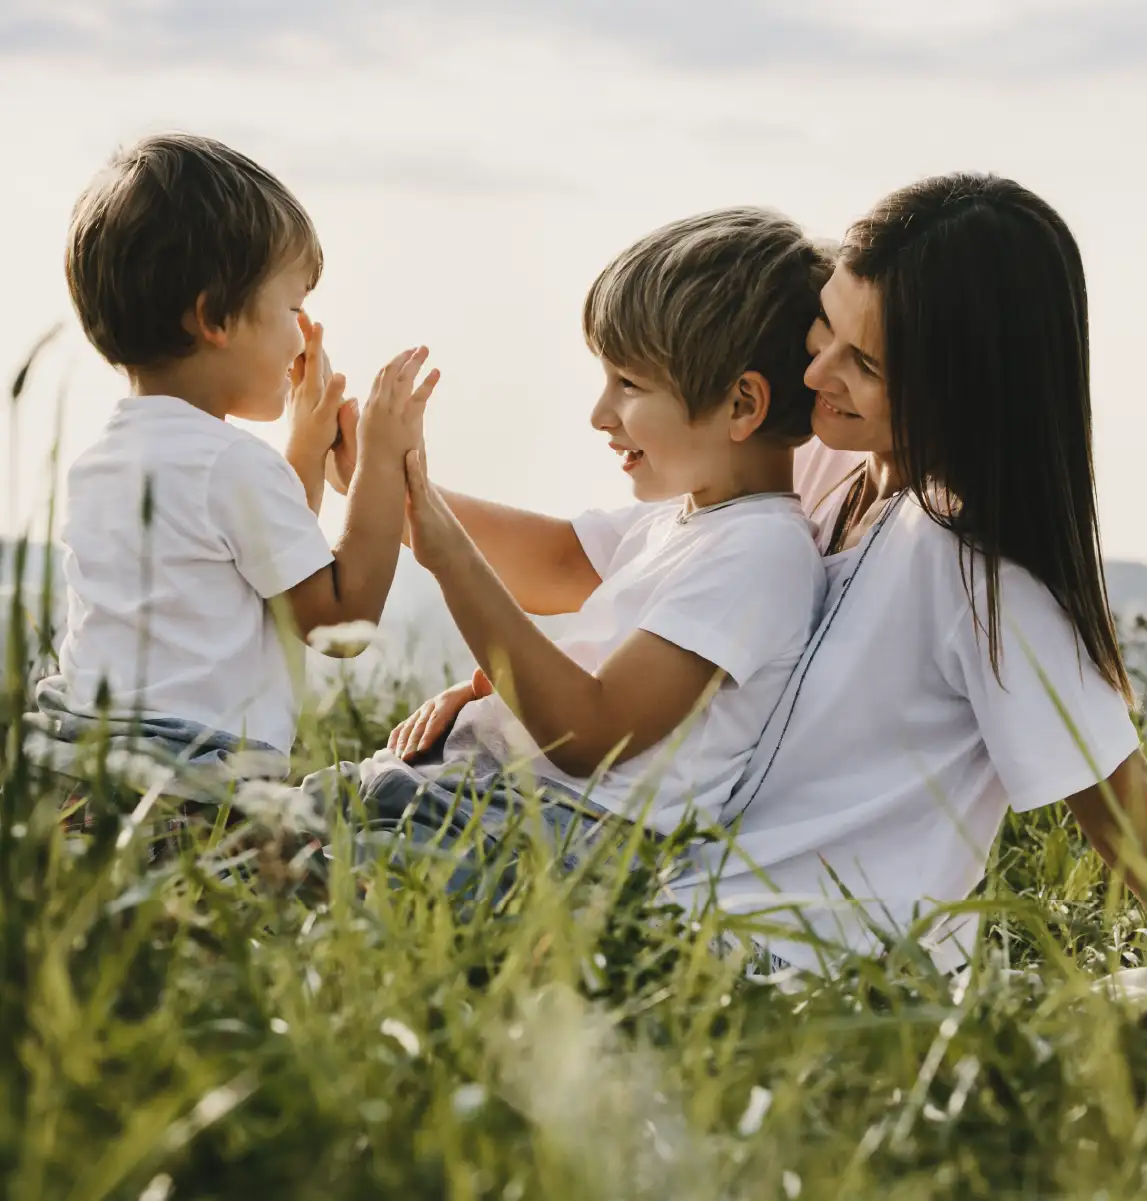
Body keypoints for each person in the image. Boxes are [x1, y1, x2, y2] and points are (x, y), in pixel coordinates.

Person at [669, 172, 1145, 974]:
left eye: (863, 364)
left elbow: (1125, 824)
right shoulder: (821, 472)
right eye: (824, 326)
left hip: (807, 974)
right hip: (676, 919)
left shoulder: (983, 571)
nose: (814, 375)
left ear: (965, 390)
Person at [315, 208, 830, 860]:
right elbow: (552, 562)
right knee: (269, 815)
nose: (599, 414)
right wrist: (383, 481)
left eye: (629, 385)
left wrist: (452, 561)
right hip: (493, 796)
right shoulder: (687, 521)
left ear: (741, 405)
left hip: (560, 830)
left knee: (286, 844)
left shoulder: (760, 553)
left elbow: (588, 734)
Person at [25, 132, 438, 793]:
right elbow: (338, 620)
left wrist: (304, 450)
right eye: (293, 308)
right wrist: (381, 464)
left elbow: (268, 570)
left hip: (84, 761)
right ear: (214, 317)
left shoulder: (101, 460)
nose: (304, 334)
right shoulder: (230, 464)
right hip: (187, 779)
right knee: (369, 810)